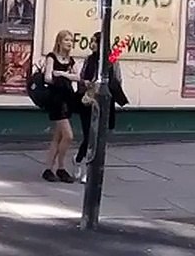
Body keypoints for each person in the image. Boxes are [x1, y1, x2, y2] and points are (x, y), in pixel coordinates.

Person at [75, 31, 129, 182]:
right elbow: (82, 78)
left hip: (104, 102)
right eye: (91, 41)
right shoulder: (89, 59)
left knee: (98, 137)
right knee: (89, 136)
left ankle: (89, 170)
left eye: (95, 42)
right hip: (88, 101)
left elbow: (117, 79)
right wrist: (86, 84)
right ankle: (78, 159)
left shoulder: (111, 60)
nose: (92, 44)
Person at [41, 29, 80, 183]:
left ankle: (48, 169)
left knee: (58, 137)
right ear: (59, 41)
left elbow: (78, 77)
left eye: (71, 40)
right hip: (56, 100)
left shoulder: (70, 60)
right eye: (66, 40)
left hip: (67, 99)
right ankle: (61, 167)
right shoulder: (52, 57)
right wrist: (59, 77)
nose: (69, 43)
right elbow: (48, 77)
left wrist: (63, 74)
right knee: (68, 136)